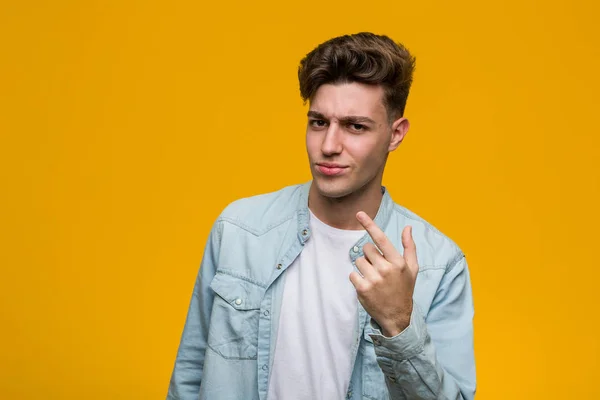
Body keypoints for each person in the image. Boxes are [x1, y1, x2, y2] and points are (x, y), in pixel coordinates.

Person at [166, 32, 476, 400]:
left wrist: (399, 323)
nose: (328, 146)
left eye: (355, 126)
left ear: (395, 134)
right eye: (318, 122)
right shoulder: (239, 230)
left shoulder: (437, 264)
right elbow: (189, 379)